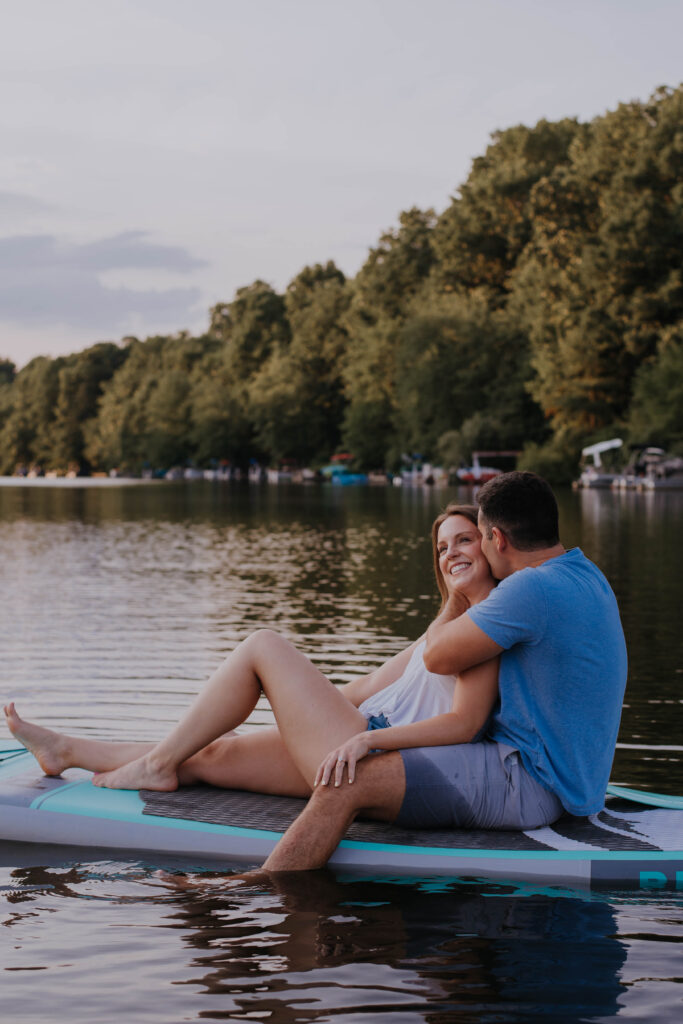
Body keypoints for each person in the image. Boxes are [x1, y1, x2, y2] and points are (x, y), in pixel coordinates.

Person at [4, 504, 501, 806]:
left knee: (263, 644)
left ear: (491, 546)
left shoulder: (490, 625)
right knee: (212, 753)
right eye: (441, 546)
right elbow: (367, 686)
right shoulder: (444, 627)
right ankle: (65, 752)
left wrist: (365, 741)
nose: (451, 552)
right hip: (351, 736)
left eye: (464, 540)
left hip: (377, 755)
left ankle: (153, 765)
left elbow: (465, 724)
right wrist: (298, 714)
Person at [254, 471, 628, 872]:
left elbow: (437, 658)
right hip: (574, 784)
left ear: (497, 539)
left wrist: (456, 595)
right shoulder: (588, 574)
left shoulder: (528, 589)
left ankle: (257, 886)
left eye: (480, 538)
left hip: (532, 783)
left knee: (347, 783)